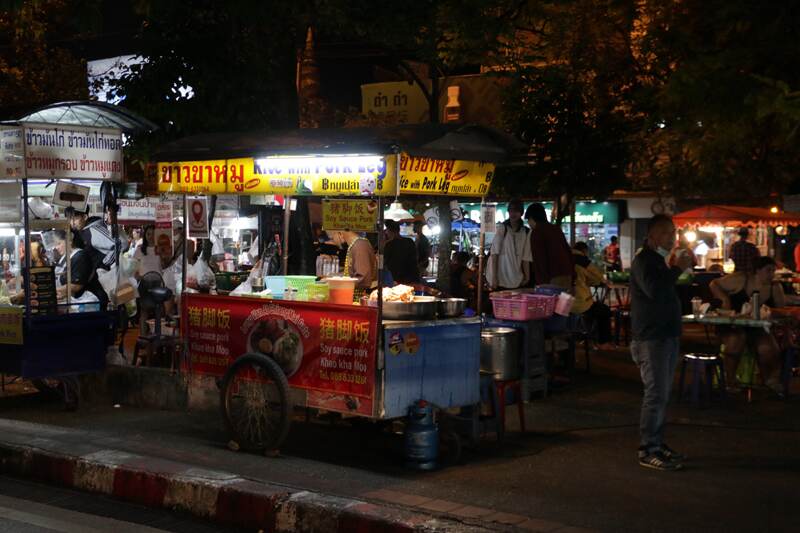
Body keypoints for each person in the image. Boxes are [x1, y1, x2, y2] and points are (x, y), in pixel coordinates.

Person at [630, 214, 693, 471]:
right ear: (652, 236)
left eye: (673, 232)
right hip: (652, 338)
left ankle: (657, 442)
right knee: (655, 395)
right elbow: (655, 290)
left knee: (663, 394)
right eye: (666, 232)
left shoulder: (658, 260)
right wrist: (677, 267)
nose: (672, 237)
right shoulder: (644, 260)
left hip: (665, 335)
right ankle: (648, 449)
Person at [709, 256, 785, 395]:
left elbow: (782, 310)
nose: (771, 275)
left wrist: (771, 313)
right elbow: (714, 284)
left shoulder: (775, 287)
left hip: (757, 328)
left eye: (773, 271)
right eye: (768, 270)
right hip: (732, 325)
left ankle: (769, 381)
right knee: (736, 340)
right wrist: (724, 299)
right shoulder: (740, 279)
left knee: (768, 348)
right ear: (757, 270)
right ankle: (729, 381)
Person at [53, 229, 109, 310]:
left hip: (89, 303)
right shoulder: (65, 257)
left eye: (59, 243)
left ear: (69, 241)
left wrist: (52, 291)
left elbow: (76, 286)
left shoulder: (80, 256)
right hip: (75, 302)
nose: (56, 247)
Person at [572, 242, 613, 348]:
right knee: (604, 310)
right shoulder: (583, 261)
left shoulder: (565, 258)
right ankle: (603, 342)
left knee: (594, 309)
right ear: (584, 251)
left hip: (564, 302)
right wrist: (604, 282)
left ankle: (585, 335)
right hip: (579, 303)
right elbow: (597, 276)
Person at [525, 203, 573, 289]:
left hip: (551, 278)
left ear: (532, 218)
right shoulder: (556, 229)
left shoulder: (537, 232)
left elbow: (539, 259)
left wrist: (542, 283)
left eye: (528, 220)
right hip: (567, 275)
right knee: (562, 302)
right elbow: (568, 252)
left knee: (551, 302)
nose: (529, 224)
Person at [488, 199, 532, 290]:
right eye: (511, 210)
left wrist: (527, 277)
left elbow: (526, 257)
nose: (513, 213)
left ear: (521, 213)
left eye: (516, 211)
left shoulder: (526, 232)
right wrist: (494, 277)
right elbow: (494, 253)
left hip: (516, 280)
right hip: (501, 279)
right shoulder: (502, 228)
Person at [383, 220, 419, 284]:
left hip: (397, 279)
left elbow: (384, 262)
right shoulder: (409, 241)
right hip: (412, 277)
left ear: (390, 231)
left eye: (387, 230)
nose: (386, 232)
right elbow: (415, 258)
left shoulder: (389, 245)